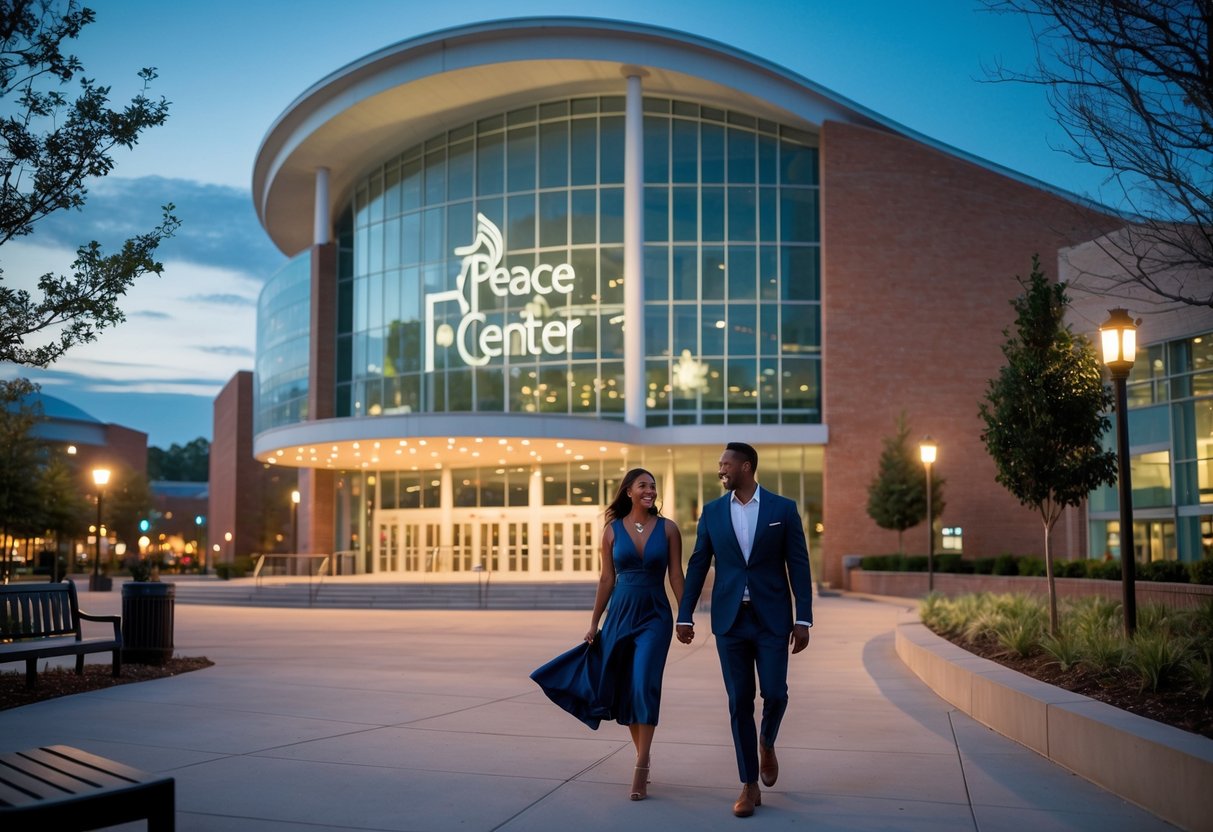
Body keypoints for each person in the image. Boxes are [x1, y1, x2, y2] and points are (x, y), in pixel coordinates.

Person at [676, 442, 813, 818]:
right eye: (720, 464)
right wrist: (684, 614)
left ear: (746, 466)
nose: (720, 469)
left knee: (776, 693)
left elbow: (798, 564)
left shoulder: (782, 510)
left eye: (725, 464)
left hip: (771, 619)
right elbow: (699, 563)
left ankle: (766, 742)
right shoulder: (712, 512)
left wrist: (804, 618)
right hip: (730, 621)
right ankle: (749, 784)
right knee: (739, 702)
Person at [531, 468, 684, 801]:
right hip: (620, 616)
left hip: (655, 615)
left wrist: (684, 616)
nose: (651, 490)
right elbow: (606, 579)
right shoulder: (612, 531)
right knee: (627, 689)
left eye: (653, 486)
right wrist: (594, 622)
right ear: (628, 491)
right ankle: (643, 754)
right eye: (644, 485)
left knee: (645, 683)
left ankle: (641, 766)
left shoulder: (669, 529)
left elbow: (676, 575)